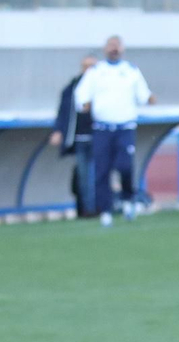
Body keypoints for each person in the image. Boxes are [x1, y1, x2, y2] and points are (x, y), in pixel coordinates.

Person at [74, 36, 155, 227]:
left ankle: (128, 200)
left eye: (117, 46)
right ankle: (106, 211)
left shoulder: (131, 71)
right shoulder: (96, 72)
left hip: (125, 127)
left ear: (122, 49)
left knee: (125, 166)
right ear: (105, 49)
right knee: (102, 171)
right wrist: (83, 104)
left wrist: (150, 98)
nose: (114, 49)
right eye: (110, 46)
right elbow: (81, 94)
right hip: (102, 128)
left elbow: (144, 95)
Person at [49, 54, 99, 218]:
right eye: (86, 66)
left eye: (92, 66)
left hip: (100, 138)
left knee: (98, 175)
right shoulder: (72, 88)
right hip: (79, 139)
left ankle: (101, 206)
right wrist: (58, 131)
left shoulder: (103, 87)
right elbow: (63, 112)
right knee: (84, 176)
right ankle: (87, 209)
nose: (88, 70)